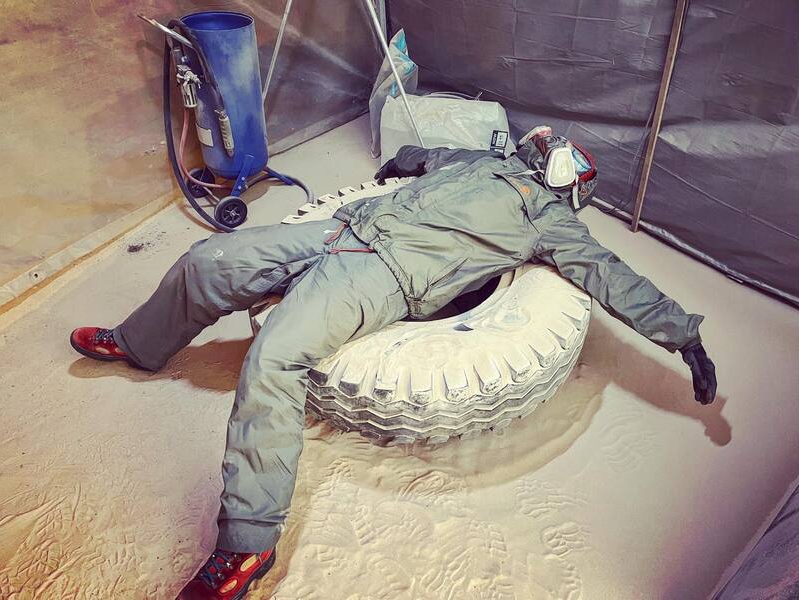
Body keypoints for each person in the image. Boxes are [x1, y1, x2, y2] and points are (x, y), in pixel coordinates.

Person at [69, 128, 717, 599]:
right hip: (343, 230)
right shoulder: (487, 160)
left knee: (275, 358)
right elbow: (429, 156)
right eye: (556, 143)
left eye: (568, 157)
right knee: (208, 262)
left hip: (381, 275)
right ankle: (140, 344)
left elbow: (614, 278)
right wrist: (410, 158)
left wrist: (683, 336)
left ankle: (248, 543)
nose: (553, 144)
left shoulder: (547, 220)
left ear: (571, 186)